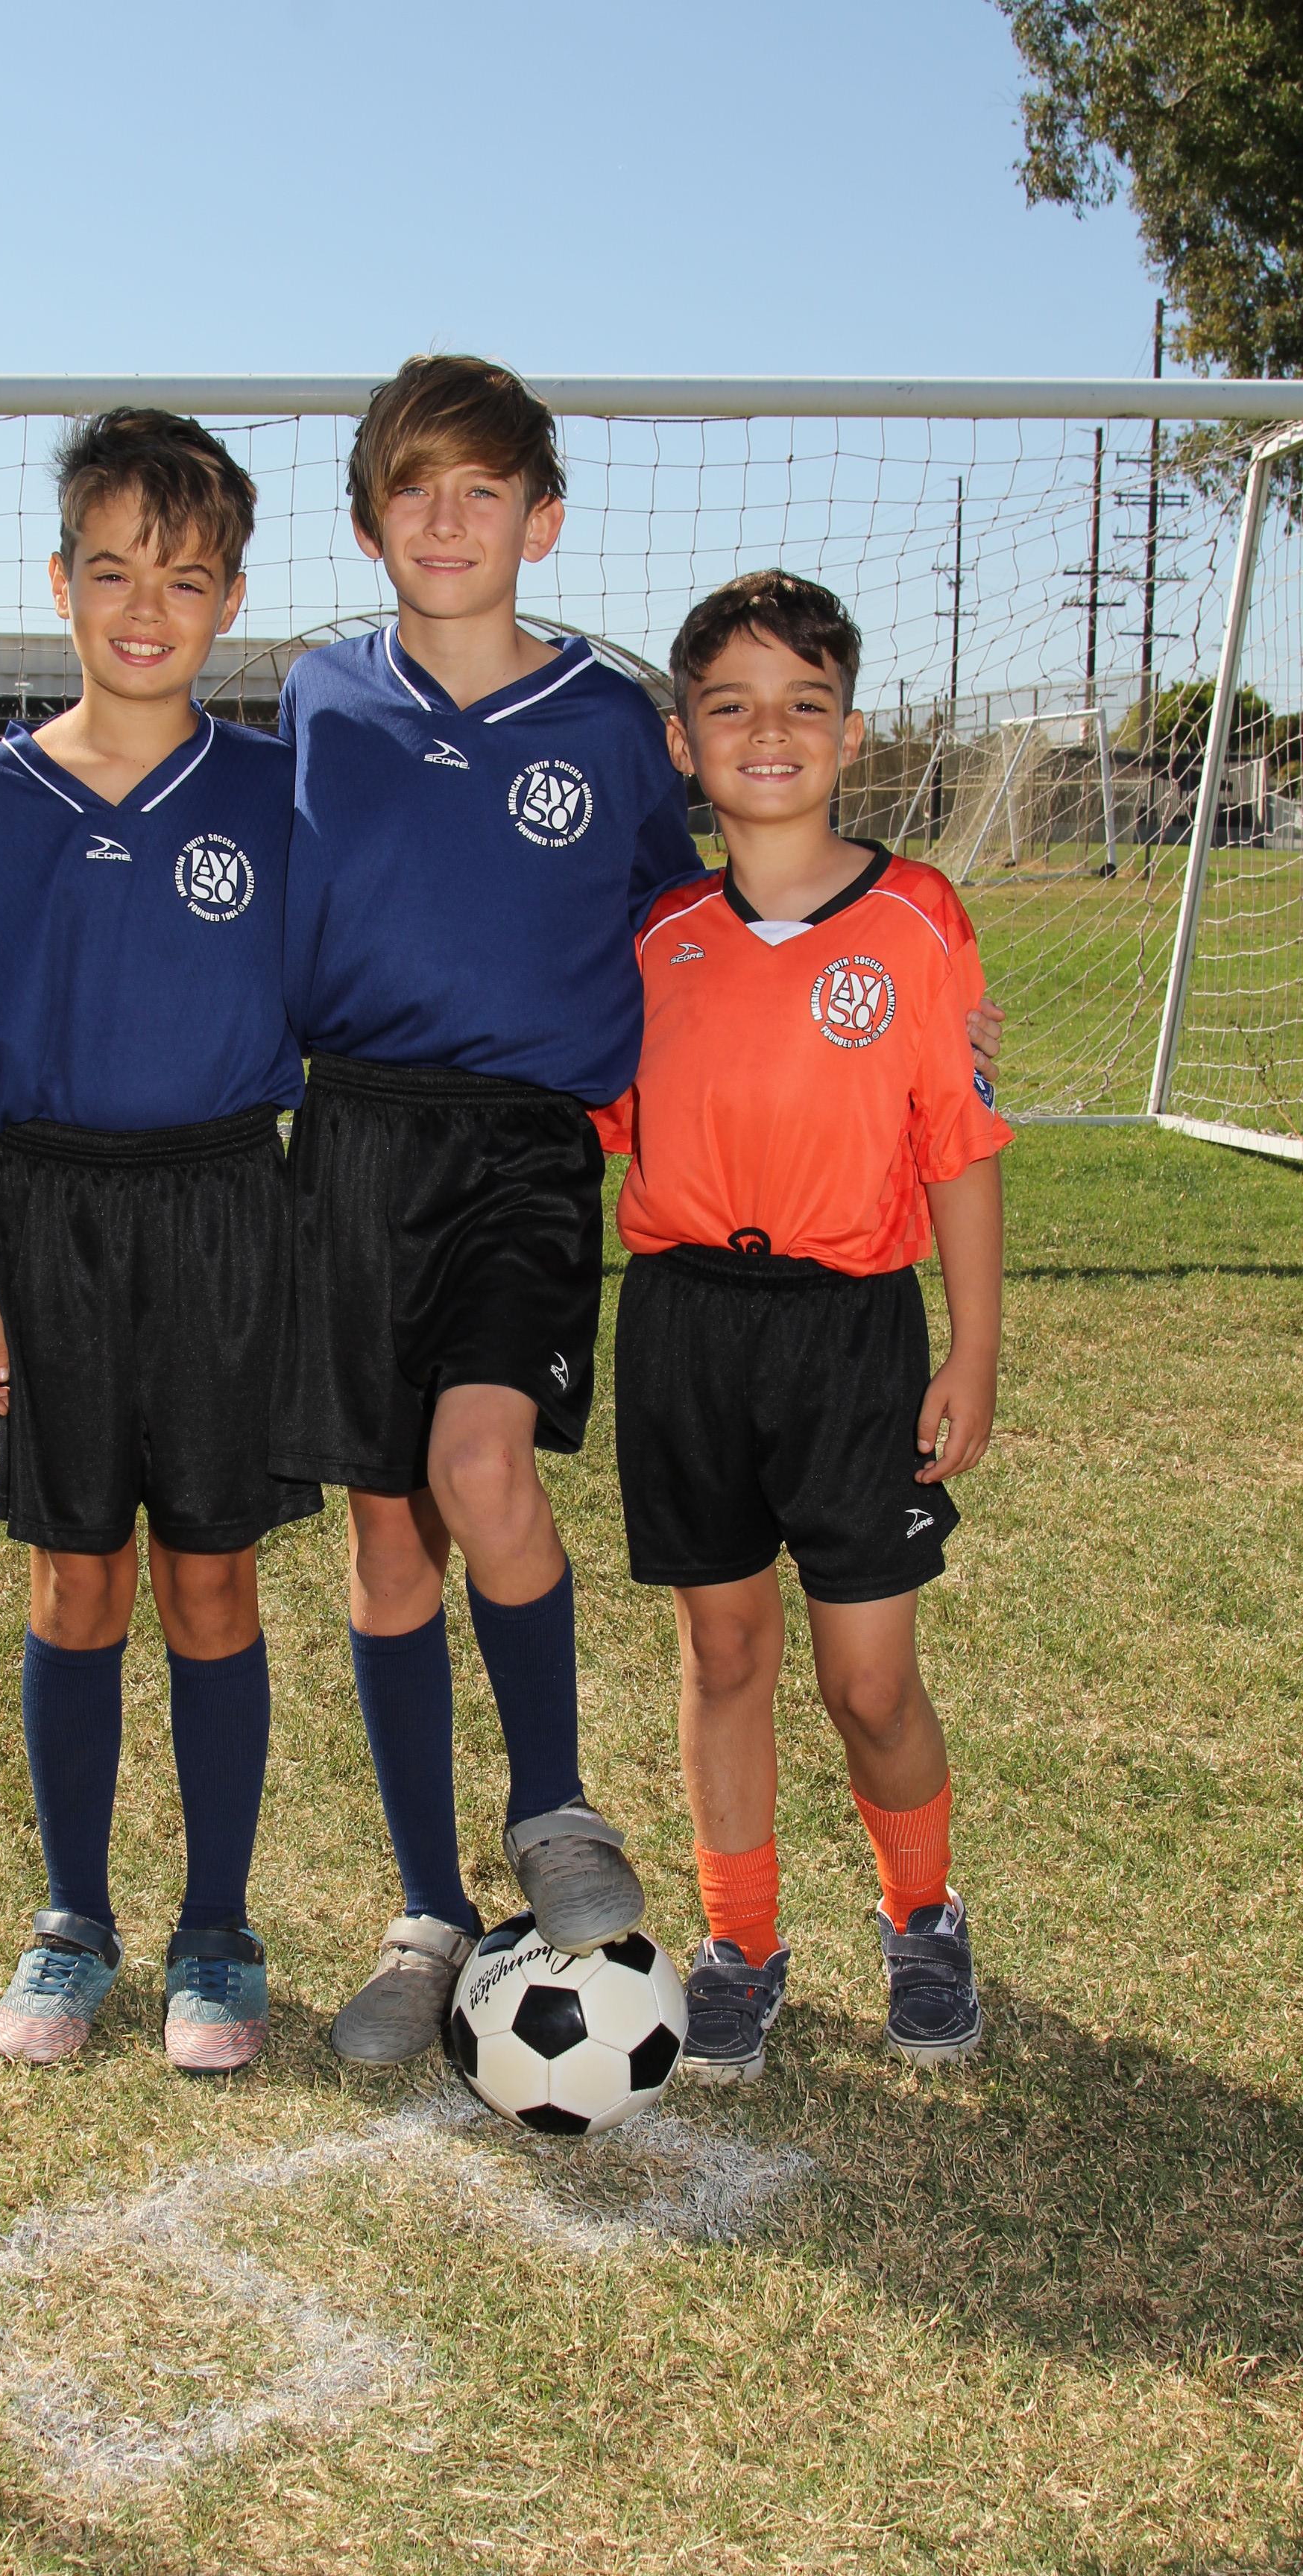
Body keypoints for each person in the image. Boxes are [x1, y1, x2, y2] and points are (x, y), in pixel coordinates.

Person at [274, 360, 1001, 2065]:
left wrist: (918, 1024)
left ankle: (557, 1811)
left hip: (524, 1156)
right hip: (354, 1145)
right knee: (389, 1543)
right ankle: (426, 1916)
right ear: (368, 521)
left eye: (482, 488)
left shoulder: (607, 721)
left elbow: (721, 936)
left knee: (481, 1469)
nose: (446, 519)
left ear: (543, 520)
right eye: (412, 487)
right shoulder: (317, 694)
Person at [0, 408, 318, 2076]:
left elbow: (411, 958)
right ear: (60, 580)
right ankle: (75, 1917)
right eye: (117, 570)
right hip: (51, 1218)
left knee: (212, 1576)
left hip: (226, 1209)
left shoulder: (277, 795)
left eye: (188, 578)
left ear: (231, 603)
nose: (150, 608)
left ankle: (218, 1927)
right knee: (79, 1577)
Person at [609, 569, 1010, 2077]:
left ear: (849, 731)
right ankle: (741, 1944)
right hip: (685, 1327)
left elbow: (958, 1146)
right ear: (683, 741)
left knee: (869, 1682)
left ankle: (922, 1914)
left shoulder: (917, 917)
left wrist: (973, 1348)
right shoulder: (655, 933)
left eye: (803, 704)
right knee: (724, 1656)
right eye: (730, 706)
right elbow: (587, 1109)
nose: (767, 732)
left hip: (851, 1335)